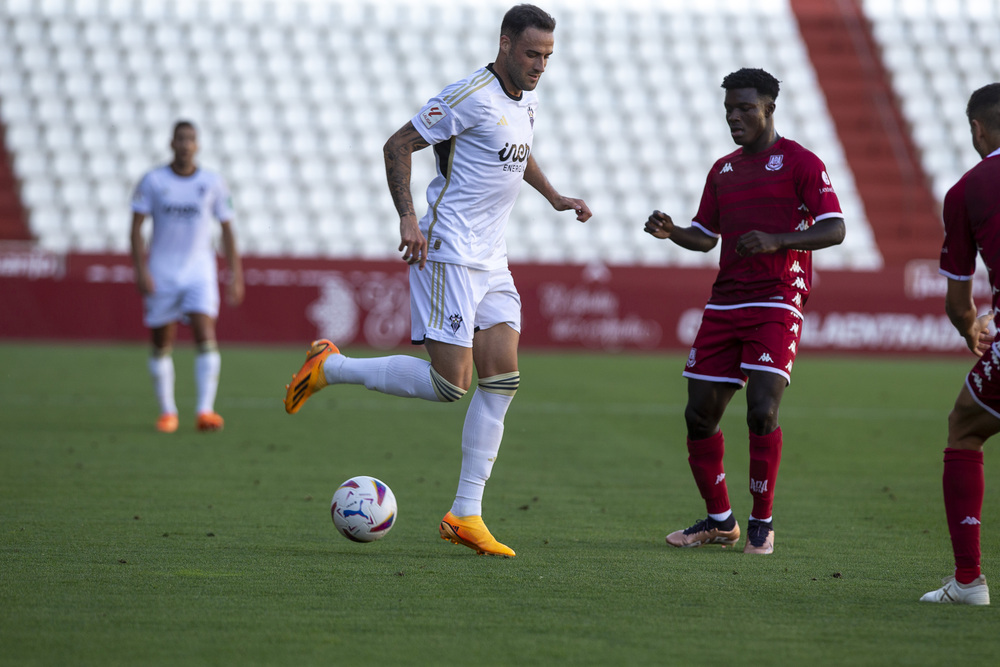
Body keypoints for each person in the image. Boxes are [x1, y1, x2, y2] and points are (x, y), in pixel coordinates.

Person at [284, 4, 590, 557]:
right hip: (447, 251)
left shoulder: (527, 98)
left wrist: (555, 197)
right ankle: (330, 366)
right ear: (504, 44)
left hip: (491, 259)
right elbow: (397, 144)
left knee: (502, 380)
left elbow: (517, 153)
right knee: (452, 385)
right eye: (531, 53)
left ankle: (465, 514)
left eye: (547, 56)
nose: (540, 64)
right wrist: (406, 217)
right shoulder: (468, 94)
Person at [644, 68, 846, 555]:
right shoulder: (723, 170)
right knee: (698, 415)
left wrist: (779, 240)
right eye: (729, 109)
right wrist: (673, 232)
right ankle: (720, 521)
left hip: (778, 296)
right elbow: (706, 236)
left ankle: (762, 520)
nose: (735, 117)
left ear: (770, 109)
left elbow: (835, 228)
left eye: (745, 109)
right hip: (726, 300)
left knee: (761, 411)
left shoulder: (801, 162)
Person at [919, 83, 1000, 606]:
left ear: (977, 129)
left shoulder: (968, 189)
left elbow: (957, 302)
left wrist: (972, 327)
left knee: (965, 426)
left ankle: (968, 580)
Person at [130, 120, 244, 434]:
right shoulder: (153, 181)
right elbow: (136, 228)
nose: (185, 144)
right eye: (180, 139)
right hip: (162, 272)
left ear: (197, 145)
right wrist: (140, 269)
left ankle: (205, 411)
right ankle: (168, 412)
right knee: (161, 342)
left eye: (190, 139)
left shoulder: (212, 182)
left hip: (199, 272)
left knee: (205, 334)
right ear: (172, 143)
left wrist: (236, 274)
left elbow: (227, 229)